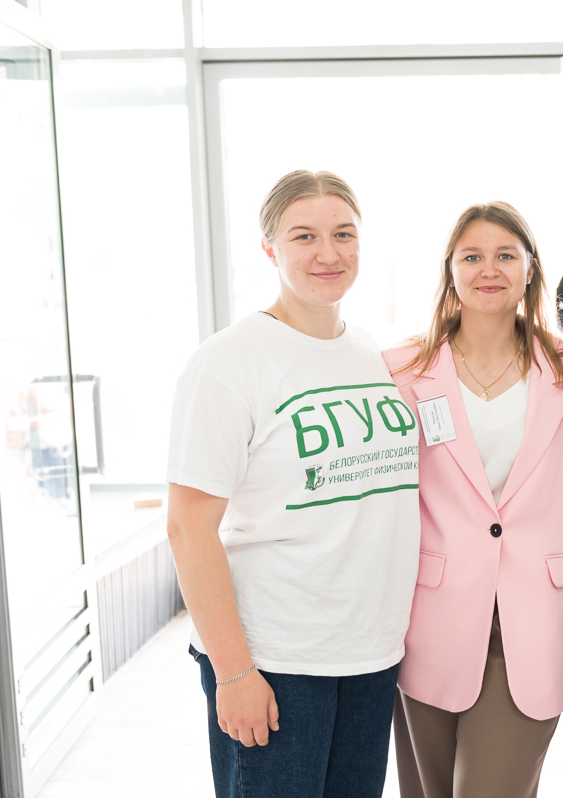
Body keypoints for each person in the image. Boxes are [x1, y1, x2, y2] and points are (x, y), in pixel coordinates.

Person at [166, 170, 420, 798]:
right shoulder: (229, 362)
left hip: (369, 656)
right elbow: (188, 527)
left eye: (343, 234)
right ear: (269, 248)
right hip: (275, 661)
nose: (327, 253)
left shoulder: (371, 355)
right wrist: (233, 673)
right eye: (304, 236)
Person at [384, 202, 563, 798]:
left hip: (531, 619)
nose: (488, 269)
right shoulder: (401, 371)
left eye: (505, 256)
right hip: (431, 619)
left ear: (530, 269)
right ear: (450, 270)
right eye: (472, 256)